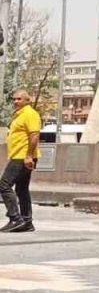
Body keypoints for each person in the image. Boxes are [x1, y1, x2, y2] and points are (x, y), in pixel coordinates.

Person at [0, 90, 40, 233]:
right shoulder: (19, 115)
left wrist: (29, 156)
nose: (16, 101)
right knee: (22, 189)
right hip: (18, 155)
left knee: (4, 185)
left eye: (19, 99)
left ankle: (15, 219)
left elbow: (34, 135)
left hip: (23, 156)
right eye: (14, 99)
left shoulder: (30, 114)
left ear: (27, 100)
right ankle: (27, 222)